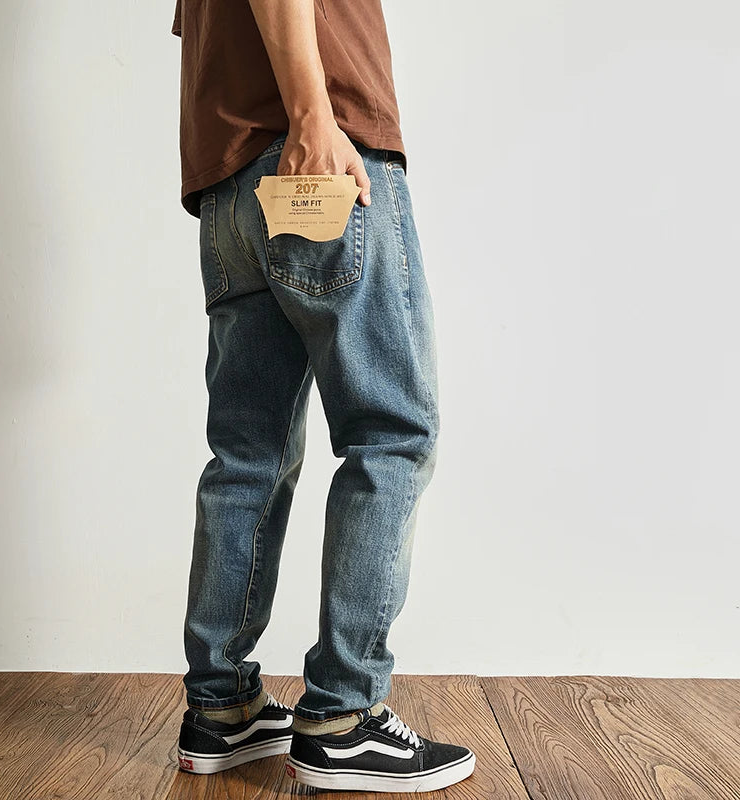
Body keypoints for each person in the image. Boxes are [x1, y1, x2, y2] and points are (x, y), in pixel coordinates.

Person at [170, 0, 475, 792]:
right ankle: (345, 717)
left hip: (228, 187)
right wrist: (312, 115)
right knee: (390, 434)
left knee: (248, 456)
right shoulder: (313, 127)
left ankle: (222, 707)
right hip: (319, 158)